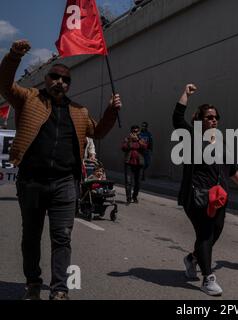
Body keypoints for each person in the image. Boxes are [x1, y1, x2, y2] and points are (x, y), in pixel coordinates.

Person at [0, 40, 121, 300]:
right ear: (46, 79)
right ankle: (33, 283)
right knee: (31, 237)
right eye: (55, 77)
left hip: (65, 183)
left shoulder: (79, 111)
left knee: (62, 237)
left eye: (65, 80)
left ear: (69, 85)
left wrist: (111, 111)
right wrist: (14, 56)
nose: (60, 82)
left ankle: (59, 291)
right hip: (32, 181)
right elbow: (5, 85)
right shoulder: (28, 98)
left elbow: (98, 131)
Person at [172, 83, 238, 296]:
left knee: (215, 232)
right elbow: (177, 119)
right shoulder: (192, 138)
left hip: (219, 197)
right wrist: (185, 95)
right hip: (197, 196)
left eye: (216, 116)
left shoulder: (220, 141)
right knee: (205, 234)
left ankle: (192, 259)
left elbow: (230, 168)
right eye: (209, 117)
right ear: (199, 119)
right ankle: (208, 279)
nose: (214, 120)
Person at [122, 125, 147, 204]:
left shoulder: (142, 139)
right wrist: (130, 140)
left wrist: (138, 140)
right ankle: (128, 198)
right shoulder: (127, 139)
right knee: (128, 181)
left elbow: (145, 147)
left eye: (136, 132)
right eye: (133, 132)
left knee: (137, 182)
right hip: (129, 163)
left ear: (139, 132)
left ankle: (134, 196)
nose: (135, 133)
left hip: (138, 164)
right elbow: (124, 148)